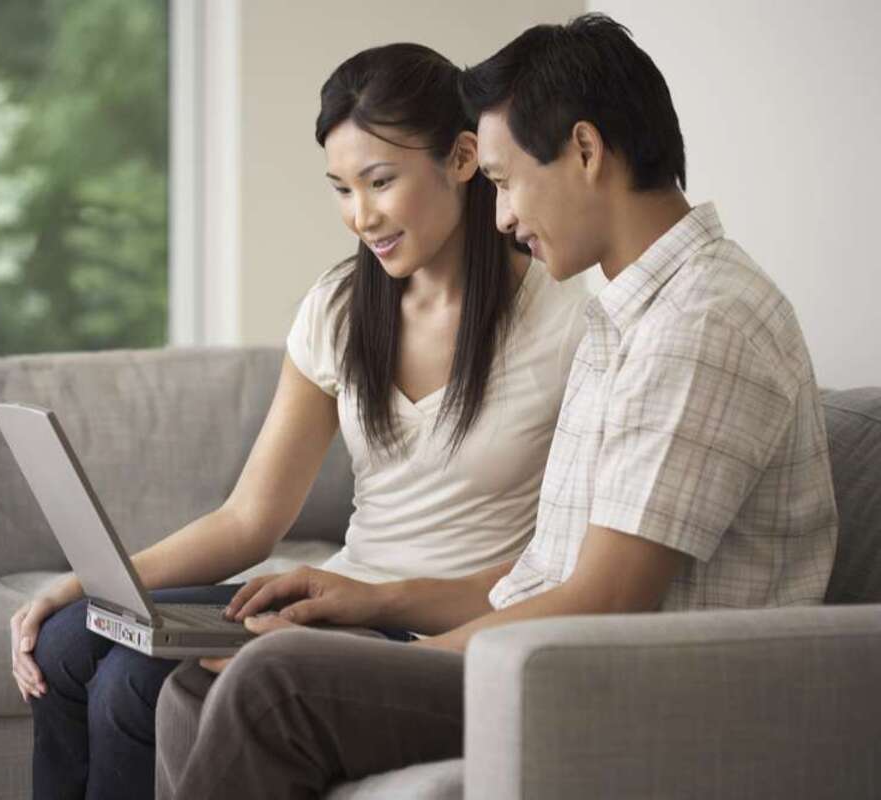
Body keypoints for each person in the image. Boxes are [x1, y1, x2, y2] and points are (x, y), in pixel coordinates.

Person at [154, 14, 839, 800]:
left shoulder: (703, 321)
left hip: (628, 685)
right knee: (195, 688)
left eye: (507, 181)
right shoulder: (627, 316)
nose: (503, 215)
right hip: (560, 651)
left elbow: (606, 601)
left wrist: (378, 661)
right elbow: (546, 575)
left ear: (584, 151)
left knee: (276, 680)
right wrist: (374, 601)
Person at [11, 43, 590, 799]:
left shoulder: (565, 319)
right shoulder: (340, 308)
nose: (361, 217)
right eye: (341, 189)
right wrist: (87, 583)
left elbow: (561, 569)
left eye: (379, 182)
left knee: (130, 684)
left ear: (460, 158)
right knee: (63, 643)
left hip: (419, 628)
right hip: (336, 591)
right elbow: (250, 518)